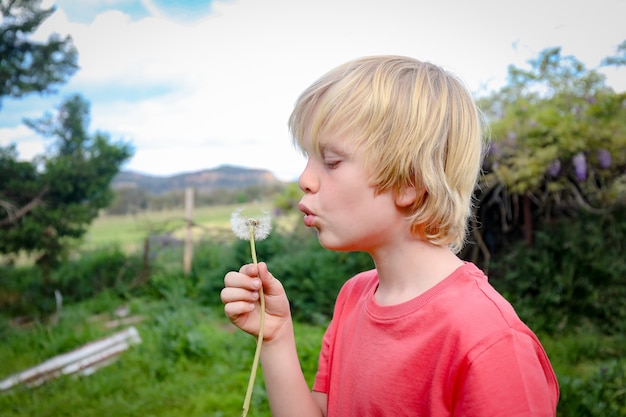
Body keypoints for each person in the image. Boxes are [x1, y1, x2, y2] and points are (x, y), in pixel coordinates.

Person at [221, 55, 559, 416]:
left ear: (409, 182)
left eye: (331, 161)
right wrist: (276, 337)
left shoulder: (489, 342)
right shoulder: (353, 297)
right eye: (308, 158)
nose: (305, 179)